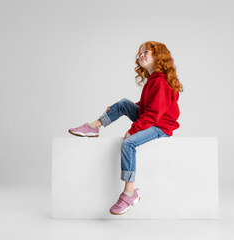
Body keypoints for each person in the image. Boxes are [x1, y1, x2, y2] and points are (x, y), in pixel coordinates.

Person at [68, 41, 183, 215]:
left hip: (161, 125)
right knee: (123, 104)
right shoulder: (153, 80)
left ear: (158, 57)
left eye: (146, 53)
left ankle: (129, 193)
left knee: (128, 144)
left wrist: (134, 130)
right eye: (140, 53)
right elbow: (147, 106)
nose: (141, 55)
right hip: (152, 118)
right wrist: (116, 109)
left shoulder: (161, 82)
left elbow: (154, 113)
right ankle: (94, 126)